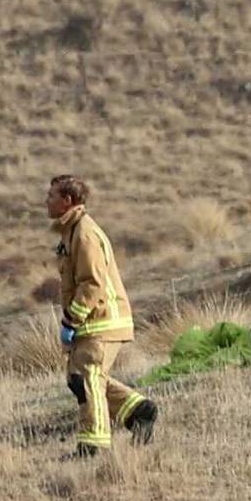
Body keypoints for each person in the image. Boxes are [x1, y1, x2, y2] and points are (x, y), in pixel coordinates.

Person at [46, 175, 158, 458]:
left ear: (67, 201)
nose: (46, 201)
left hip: (102, 321)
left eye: (51, 196)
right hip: (91, 321)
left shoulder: (84, 234)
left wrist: (72, 319)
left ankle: (92, 445)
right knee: (78, 378)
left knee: (88, 378)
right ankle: (139, 411)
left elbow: (92, 283)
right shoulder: (70, 232)